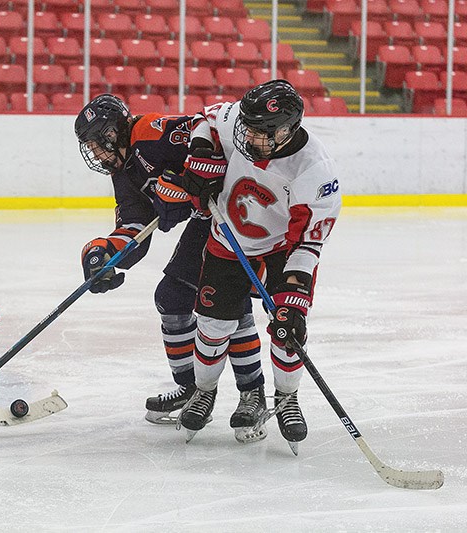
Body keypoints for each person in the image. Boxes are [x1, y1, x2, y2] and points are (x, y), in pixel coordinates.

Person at [74, 94, 267, 440]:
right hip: (207, 220)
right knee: (172, 297)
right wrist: (105, 252)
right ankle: (193, 388)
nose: (98, 155)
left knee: (227, 301)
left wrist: (188, 177)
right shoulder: (123, 172)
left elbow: (202, 129)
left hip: (234, 213)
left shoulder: (148, 131)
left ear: (114, 132)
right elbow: (135, 225)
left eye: (97, 144)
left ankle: (252, 392)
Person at [168, 79, 341, 449]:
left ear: (288, 129)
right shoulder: (242, 122)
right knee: (214, 325)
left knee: (287, 331)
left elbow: (308, 241)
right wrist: (202, 154)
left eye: (262, 132)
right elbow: (206, 119)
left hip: (282, 250)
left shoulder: (315, 171)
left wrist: (293, 299)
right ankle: (205, 390)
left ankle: (287, 397)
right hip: (227, 239)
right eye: (248, 126)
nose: (249, 137)